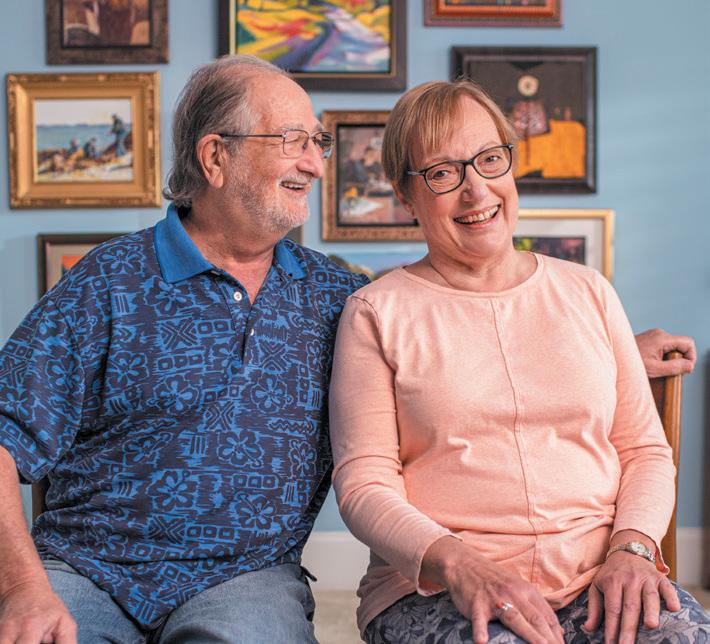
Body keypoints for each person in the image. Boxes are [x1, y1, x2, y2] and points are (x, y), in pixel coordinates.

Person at [0, 55, 367, 643]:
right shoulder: (107, 280)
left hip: (247, 577)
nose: (314, 164)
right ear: (216, 156)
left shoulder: (338, 297)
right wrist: (21, 587)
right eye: (292, 140)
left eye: (317, 142)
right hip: (88, 568)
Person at [328, 79, 708, 644]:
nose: (475, 190)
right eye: (442, 173)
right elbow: (364, 484)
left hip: (600, 573)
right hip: (440, 587)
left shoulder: (588, 291)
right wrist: (460, 565)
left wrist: (632, 549)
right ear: (406, 196)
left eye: (489, 159)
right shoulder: (375, 313)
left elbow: (643, 450)